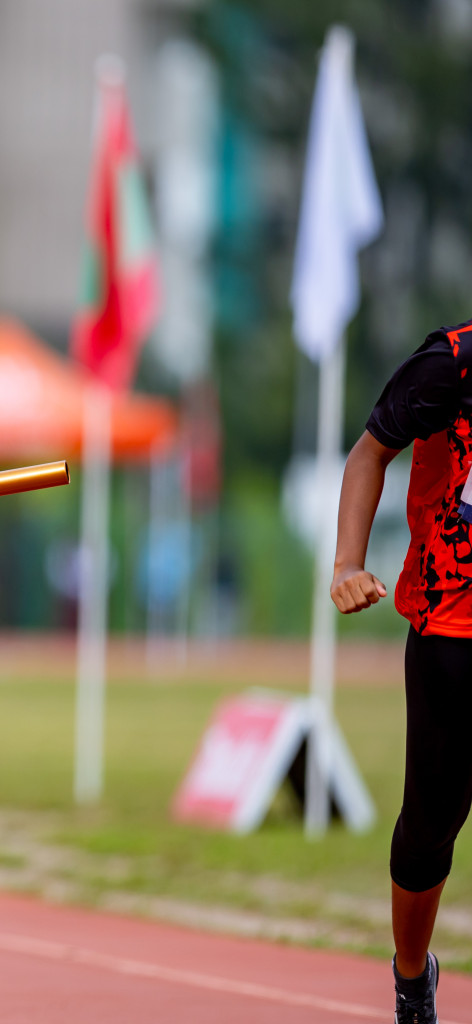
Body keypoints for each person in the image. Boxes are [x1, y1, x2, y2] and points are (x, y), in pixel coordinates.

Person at [331, 317, 472, 1024]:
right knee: (430, 826)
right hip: (454, 625)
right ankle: (413, 978)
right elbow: (367, 456)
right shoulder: (451, 364)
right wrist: (347, 565)